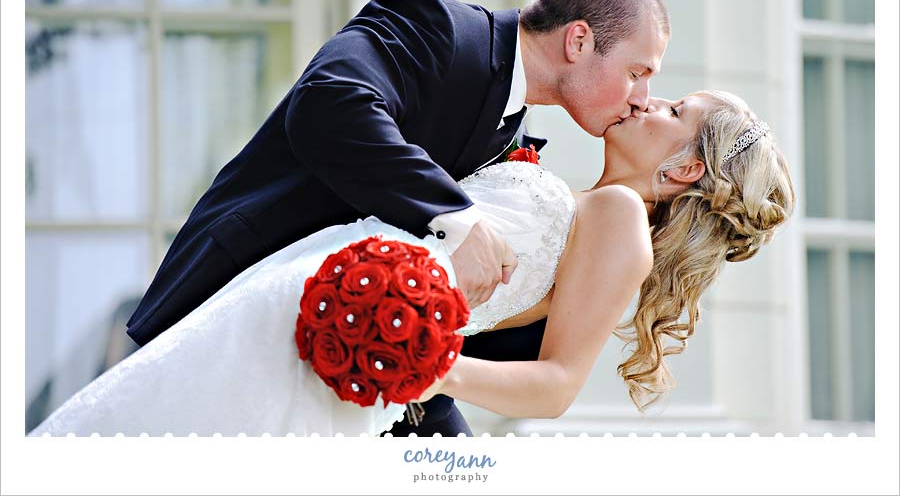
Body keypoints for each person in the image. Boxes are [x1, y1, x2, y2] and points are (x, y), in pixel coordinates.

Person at [29, 90, 794, 437]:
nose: (648, 101)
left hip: (340, 331)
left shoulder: (618, 214)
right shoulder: (584, 203)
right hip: (299, 299)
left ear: (688, 171)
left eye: (673, 113)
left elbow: (557, 386)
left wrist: (420, 364)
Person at [123, 0, 670, 435]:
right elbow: (327, 102)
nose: (643, 98)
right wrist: (455, 216)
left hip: (332, 360)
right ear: (578, 42)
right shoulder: (438, 27)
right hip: (237, 298)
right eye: (636, 71)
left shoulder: (513, 135)